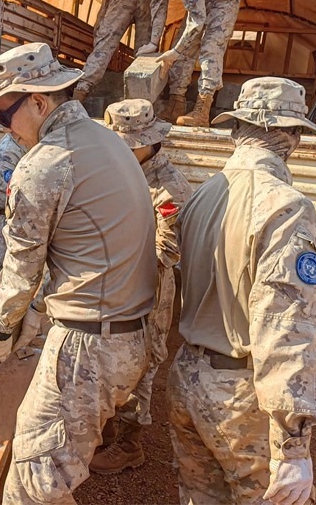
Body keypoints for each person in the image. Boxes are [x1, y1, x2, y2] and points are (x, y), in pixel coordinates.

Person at [0, 42, 157, 504]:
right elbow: (84, 244)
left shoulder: (46, 163)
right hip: (125, 334)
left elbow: (21, 263)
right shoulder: (107, 141)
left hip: (87, 346)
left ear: (37, 102)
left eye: (3, 115)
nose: (4, 128)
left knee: (34, 485)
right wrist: (37, 311)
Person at [170, 77, 316, 505]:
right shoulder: (286, 207)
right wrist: (293, 446)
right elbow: (285, 327)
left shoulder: (201, 196)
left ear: (237, 129)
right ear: (290, 136)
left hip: (188, 376)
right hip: (241, 393)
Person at [90, 99, 193, 475]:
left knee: (142, 363)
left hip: (147, 289)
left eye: (129, 144)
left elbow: (168, 250)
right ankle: (106, 428)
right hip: (112, 285)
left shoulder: (169, 188)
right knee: (106, 355)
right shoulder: (120, 169)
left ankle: (130, 444)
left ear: (150, 142)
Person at [123, 0, 241, 127]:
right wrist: (154, 42)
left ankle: (202, 110)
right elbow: (158, 6)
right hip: (199, 0)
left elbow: (197, 19)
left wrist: (175, 52)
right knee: (182, 47)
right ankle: (176, 104)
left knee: (211, 47)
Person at [72, 0, 151, 102]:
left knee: (105, 44)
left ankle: (81, 92)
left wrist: (98, 38)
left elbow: (102, 15)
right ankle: (139, 97)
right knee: (144, 51)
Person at [0, 133, 27, 272]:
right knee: (1, 275)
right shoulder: (10, 148)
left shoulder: (27, 143)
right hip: (8, 222)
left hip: (19, 222)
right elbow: (6, 191)